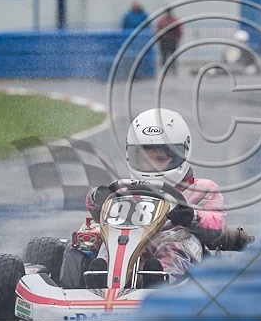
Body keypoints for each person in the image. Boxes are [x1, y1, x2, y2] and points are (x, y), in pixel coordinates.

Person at [85, 108, 226, 285]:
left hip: (179, 248)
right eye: (144, 159)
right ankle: (100, 278)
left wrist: (192, 217)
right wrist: (98, 198)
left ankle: (159, 280)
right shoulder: (125, 189)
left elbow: (217, 222)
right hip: (132, 241)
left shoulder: (202, 189)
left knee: (176, 242)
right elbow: (97, 211)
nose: (150, 166)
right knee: (109, 238)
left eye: (159, 159)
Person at [155, 8, 183, 74]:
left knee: (172, 57)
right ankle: (165, 71)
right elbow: (158, 31)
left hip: (172, 41)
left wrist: (177, 39)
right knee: (164, 57)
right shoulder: (162, 21)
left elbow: (179, 31)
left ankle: (173, 70)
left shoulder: (173, 21)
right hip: (164, 41)